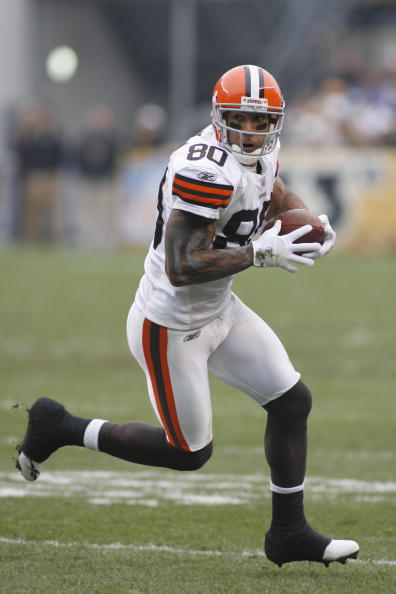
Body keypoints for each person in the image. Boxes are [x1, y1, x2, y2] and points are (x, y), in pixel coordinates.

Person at [16, 65, 359, 567]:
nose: (252, 131)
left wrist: (310, 225)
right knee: (189, 452)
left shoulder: (260, 153)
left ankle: (289, 533)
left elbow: (274, 192)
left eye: (263, 123)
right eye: (241, 119)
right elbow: (181, 267)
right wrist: (260, 254)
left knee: (291, 402)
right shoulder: (204, 168)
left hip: (220, 307)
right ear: (219, 117)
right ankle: (61, 426)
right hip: (170, 324)